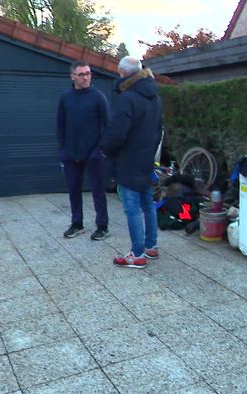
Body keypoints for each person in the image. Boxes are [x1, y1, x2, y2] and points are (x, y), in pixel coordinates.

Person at [101, 56, 163, 268]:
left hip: (128, 161)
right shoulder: (155, 97)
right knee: (148, 204)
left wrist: (106, 150)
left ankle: (137, 254)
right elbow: (158, 130)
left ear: (122, 73)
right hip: (146, 160)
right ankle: (151, 247)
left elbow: (117, 133)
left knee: (132, 208)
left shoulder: (127, 98)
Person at [56, 60, 110, 240]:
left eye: (88, 73)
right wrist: (62, 149)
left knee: (97, 191)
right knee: (73, 190)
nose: (86, 77)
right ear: (72, 76)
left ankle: (102, 226)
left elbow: (108, 126)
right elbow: (60, 125)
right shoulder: (65, 98)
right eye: (82, 74)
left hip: (93, 154)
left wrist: (99, 150)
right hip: (71, 153)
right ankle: (77, 224)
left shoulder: (98, 97)